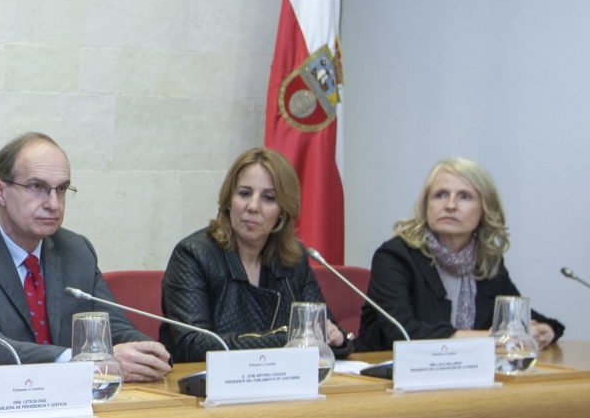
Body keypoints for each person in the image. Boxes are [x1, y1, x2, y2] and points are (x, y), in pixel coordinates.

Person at [0, 132, 172, 378]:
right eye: (37, 187)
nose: (53, 204)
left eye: (61, 189)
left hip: (66, 395)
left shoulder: (76, 250)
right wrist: (82, 362)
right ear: (0, 192)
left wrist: (146, 352)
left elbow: (112, 329)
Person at [160, 147, 352, 363]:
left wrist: (338, 339)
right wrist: (291, 339)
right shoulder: (193, 255)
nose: (253, 206)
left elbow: (324, 331)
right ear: (228, 200)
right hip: (204, 381)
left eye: (268, 198)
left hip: (279, 378)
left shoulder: (294, 259)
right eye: (244, 193)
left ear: (283, 211)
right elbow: (194, 345)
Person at [357, 157, 563, 351]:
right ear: (426, 205)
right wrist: (494, 338)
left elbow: (518, 318)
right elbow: (404, 334)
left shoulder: (485, 261)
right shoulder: (395, 257)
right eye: (440, 195)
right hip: (388, 371)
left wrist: (545, 330)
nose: (450, 205)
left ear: (485, 209)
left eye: (464, 196)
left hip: (465, 371)